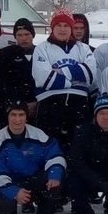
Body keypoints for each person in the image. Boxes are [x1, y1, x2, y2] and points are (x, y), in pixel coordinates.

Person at [0, 101, 66, 214]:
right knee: (5, 208)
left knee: (56, 179)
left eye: (21, 114)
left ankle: (45, 212)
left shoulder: (38, 134)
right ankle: (10, 213)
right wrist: (14, 192)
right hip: (12, 181)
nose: (17, 119)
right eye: (13, 115)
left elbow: (55, 155)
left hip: (35, 179)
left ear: (26, 116)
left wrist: (54, 173)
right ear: (7, 116)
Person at [31, 8, 96, 154]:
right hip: (49, 107)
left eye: (66, 25)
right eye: (58, 25)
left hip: (78, 107)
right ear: (52, 28)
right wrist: (75, 80)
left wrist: (60, 72)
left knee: (78, 151)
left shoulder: (83, 48)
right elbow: (43, 79)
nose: (62, 29)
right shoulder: (42, 48)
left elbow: (90, 75)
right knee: (50, 152)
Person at [0, 16, 39, 126]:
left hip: (38, 109)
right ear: (15, 36)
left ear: (32, 34)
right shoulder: (5, 54)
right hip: (13, 110)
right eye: (19, 35)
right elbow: (1, 83)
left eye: (27, 34)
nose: (23, 38)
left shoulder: (42, 52)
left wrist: (37, 102)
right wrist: (17, 104)